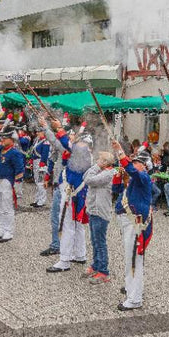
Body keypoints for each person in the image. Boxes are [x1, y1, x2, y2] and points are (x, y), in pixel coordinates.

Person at [112, 142, 154, 309]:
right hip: (127, 221)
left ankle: (135, 299)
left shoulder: (143, 178)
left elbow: (132, 171)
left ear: (145, 166)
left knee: (134, 259)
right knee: (130, 257)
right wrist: (119, 174)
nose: (134, 164)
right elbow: (116, 189)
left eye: (137, 162)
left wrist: (120, 153)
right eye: (134, 161)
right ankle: (131, 287)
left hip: (135, 222)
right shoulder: (133, 179)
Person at [46, 119, 92, 272]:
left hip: (73, 193)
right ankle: (80, 254)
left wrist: (59, 128)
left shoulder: (81, 152)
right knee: (77, 225)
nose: (76, 142)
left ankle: (64, 260)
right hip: (75, 192)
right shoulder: (82, 153)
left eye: (80, 142)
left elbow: (67, 143)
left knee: (67, 226)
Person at [83, 151, 117, 285]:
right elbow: (85, 176)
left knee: (100, 242)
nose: (97, 161)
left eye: (100, 159)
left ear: (105, 162)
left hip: (100, 212)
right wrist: (97, 167)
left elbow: (89, 180)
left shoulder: (108, 173)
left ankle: (103, 271)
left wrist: (96, 167)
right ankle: (96, 265)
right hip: (93, 210)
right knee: (94, 240)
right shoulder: (101, 171)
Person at [0, 127, 25, 242]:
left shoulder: (15, 153)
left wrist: (16, 184)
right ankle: (2, 229)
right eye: (2, 137)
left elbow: (20, 170)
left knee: (7, 207)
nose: (3, 140)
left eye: (5, 138)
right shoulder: (0, 149)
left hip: (7, 181)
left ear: (12, 139)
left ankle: (8, 231)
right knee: (0, 206)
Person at [40, 115, 69, 256]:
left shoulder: (68, 147)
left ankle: (57, 245)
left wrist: (46, 127)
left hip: (64, 186)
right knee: (60, 217)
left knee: (57, 217)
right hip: (59, 183)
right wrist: (47, 176)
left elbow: (54, 141)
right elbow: (52, 159)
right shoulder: (65, 147)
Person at [29, 130, 50, 208]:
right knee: (37, 182)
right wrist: (31, 160)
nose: (37, 133)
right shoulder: (37, 140)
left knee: (41, 182)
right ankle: (37, 199)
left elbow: (45, 153)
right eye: (37, 132)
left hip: (41, 162)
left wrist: (43, 163)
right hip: (36, 161)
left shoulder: (46, 142)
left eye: (39, 132)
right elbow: (33, 151)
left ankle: (41, 201)